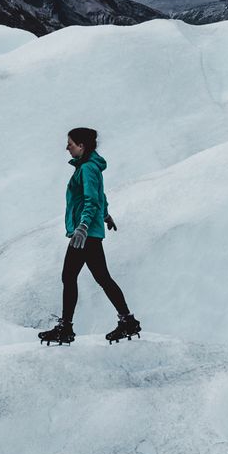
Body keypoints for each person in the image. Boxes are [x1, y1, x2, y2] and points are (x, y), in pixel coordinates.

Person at [39, 127, 141, 345]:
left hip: (84, 235)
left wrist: (84, 226)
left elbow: (91, 198)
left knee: (69, 277)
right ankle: (128, 321)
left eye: (70, 143)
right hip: (88, 233)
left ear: (82, 146)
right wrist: (105, 215)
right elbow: (98, 195)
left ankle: (66, 328)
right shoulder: (89, 167)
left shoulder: (87, 168)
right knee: (102, 278)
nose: (67, 147)